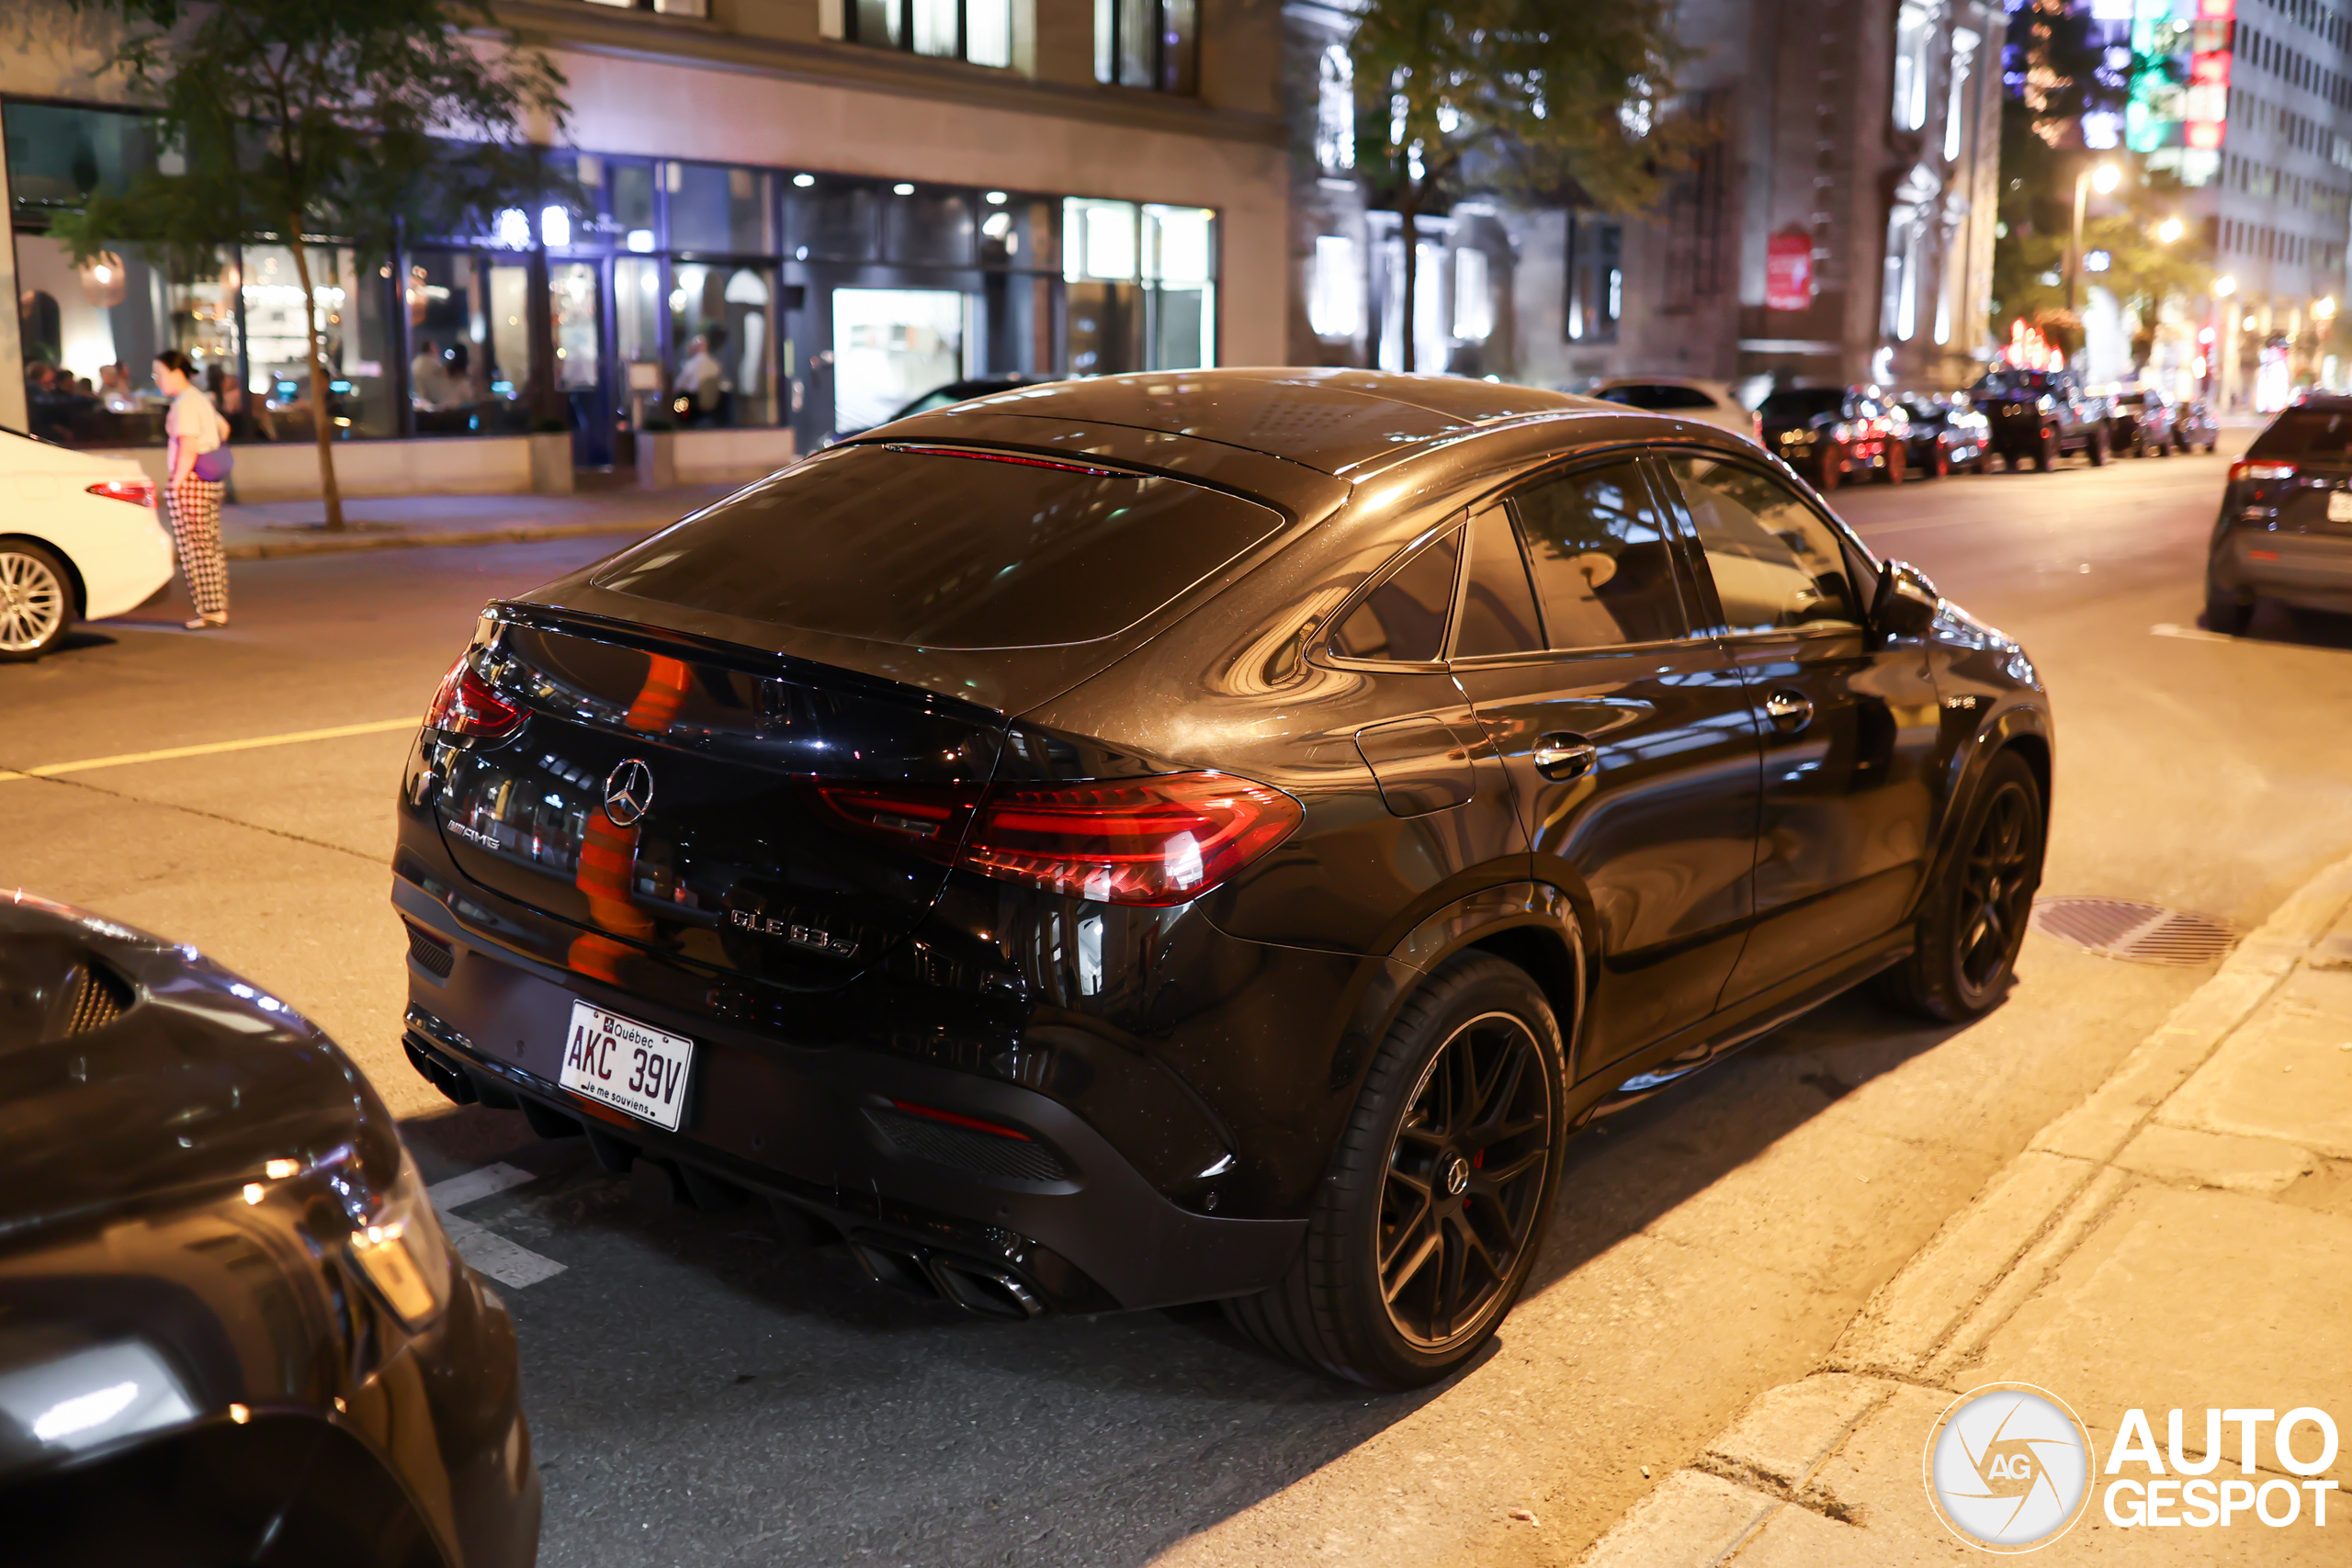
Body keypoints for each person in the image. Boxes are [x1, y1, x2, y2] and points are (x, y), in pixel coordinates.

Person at [155, 349, 232, 630]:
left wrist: (175, 484)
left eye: (160, 374)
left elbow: (187, 445)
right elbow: (224, 429)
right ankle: (216, 607)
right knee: (209, 545)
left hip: (191, 483)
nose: (158, 380)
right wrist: (210, 449)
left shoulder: (184, 404)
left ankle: (211, 611)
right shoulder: (201, 399)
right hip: (210, 480)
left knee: (195, 549)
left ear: (176, 373)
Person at [675, 328, 727, 425]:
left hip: (693, 404)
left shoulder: (691, 365)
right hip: (714, 406)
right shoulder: (715, 364)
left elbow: (679, 385)